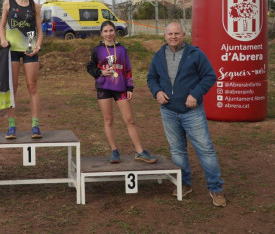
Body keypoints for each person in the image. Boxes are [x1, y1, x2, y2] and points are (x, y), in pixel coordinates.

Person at [146, 22, 226, 207]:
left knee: (205, 150)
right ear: (164, 36)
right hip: (168, 111)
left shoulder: (195, 54)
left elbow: (209, 76)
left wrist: (195, 94)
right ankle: (184, 184)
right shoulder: (159, 56)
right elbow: (151, 78)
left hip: (192, 112)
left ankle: (215, 189)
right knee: (177, 151)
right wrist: (157, 92)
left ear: (183, 34)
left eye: (177, 33)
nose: (173, 37)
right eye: (170, 34)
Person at [86, 21, 157, 164]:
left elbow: (128, 70)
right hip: (104, 88)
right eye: (105, 31)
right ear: (101, 33)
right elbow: (90, 66)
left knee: (130, 120)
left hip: (120, 88)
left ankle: (139, 151)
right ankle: (114, 151)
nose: (108, 34)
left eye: (111, 30)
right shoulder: (97, 49)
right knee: (108, 120)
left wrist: (130, 88)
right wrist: (100, 72)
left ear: (115, 32)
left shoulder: (122, 50)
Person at [0, 0, 43, 139]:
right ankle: (11, 126)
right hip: (12, 50)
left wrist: (37, 46)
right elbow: (2, 26)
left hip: (30, 50)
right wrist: (3, 40)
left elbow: (39, 30)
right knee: (13, 88)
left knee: (32, 87)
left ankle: (35, 125)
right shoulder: (8, 3)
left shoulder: (36, 6)